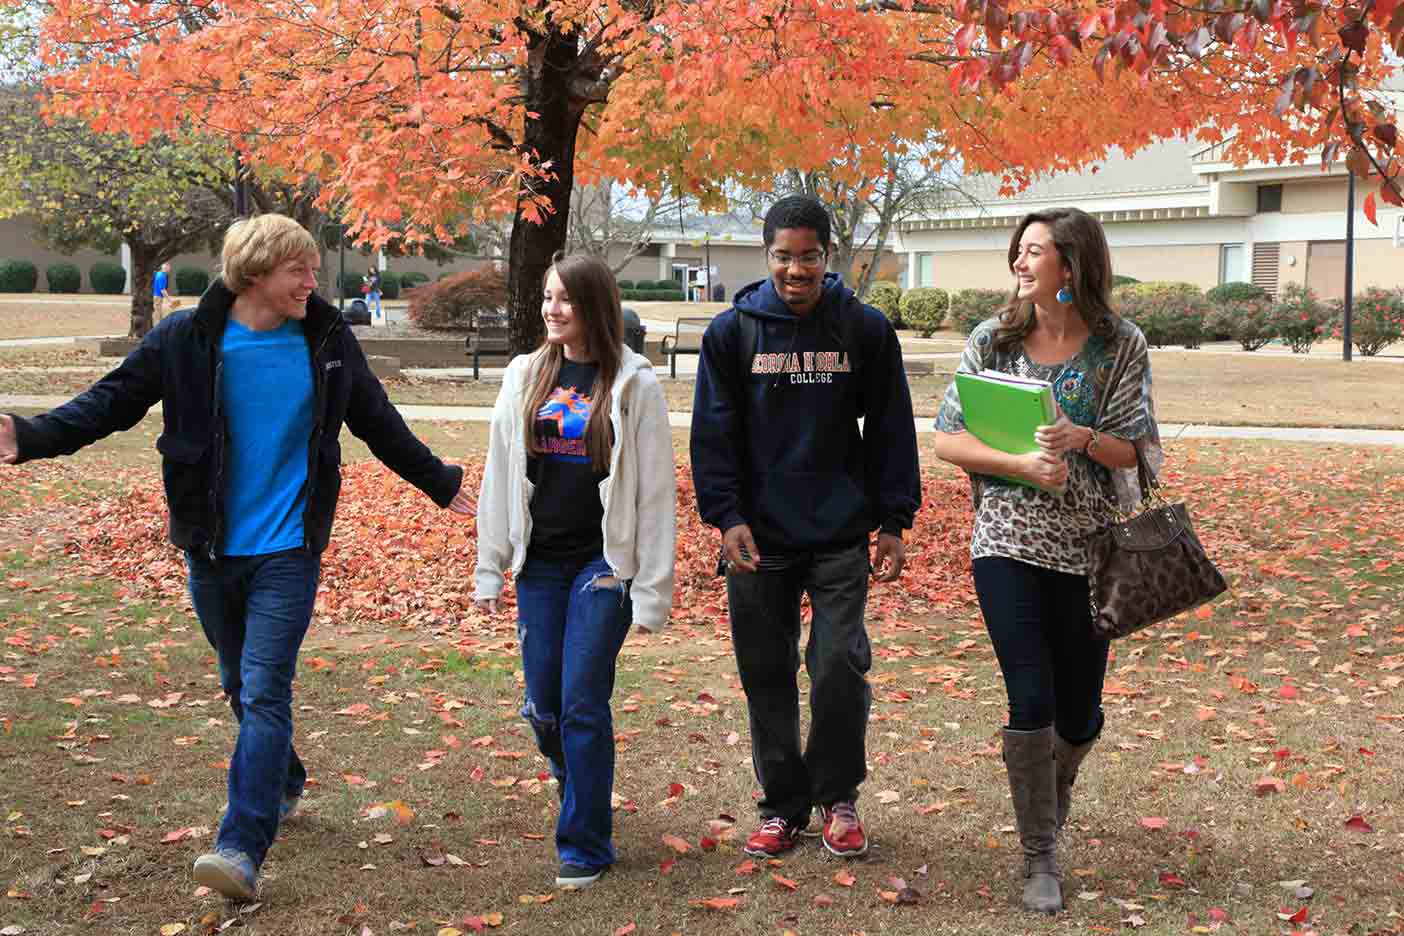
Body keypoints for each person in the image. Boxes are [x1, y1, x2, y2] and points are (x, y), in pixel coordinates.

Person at [0, 213, 476, 901]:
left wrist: (441, 480)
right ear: (255, 272)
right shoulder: (188, 339)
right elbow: (111, 403)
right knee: (237, 684)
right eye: (298, 271)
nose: (312, 283)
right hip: (213, 547)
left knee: (263, 689)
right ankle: (283, 778)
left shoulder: (327, 340)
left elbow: (376, 420)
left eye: (312, 270)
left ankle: (241, 846)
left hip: (289, 549)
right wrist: (30, 434)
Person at [929, 207, 1161, 913]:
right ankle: (1040, 856)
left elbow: (1137, 449)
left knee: (1080, 713)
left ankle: (1051, 795)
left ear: (1073, 264)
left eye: (1035, 252)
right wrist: (1022, 466)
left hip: (1091, 547)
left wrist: (1082, 436)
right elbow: (947, 438)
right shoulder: (993, 341)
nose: (1021, 264)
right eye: (1018, 252)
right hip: (1007, 538)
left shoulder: (1121, 345)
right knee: (1029, 697)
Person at [690, 194, 921, 860]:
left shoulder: (864, 330)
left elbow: (890, 428)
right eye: (784, 257)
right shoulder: (732, 333)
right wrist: (726, 515)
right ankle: (781, 806)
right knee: (766, 673)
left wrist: (893, 520)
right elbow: (714, 434)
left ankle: (837, 796)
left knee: (840, 663)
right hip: (759, 540)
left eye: (809, 257)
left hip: (839, 532)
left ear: (828, 257)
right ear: (767, 257)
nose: (796, 270)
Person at [474, 253, 675, 890]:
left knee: (582, 701)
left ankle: (585, 843)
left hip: (602, 565)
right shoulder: (524, 375)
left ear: (594, 305)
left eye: (565, 299)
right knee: (543, 708)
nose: (552, 310)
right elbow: (498, 474)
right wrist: (490, 568)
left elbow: (654, 494)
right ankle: (580, 782)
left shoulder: (633, 383)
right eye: (547, 298)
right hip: (541, 563)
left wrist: (649, 591)